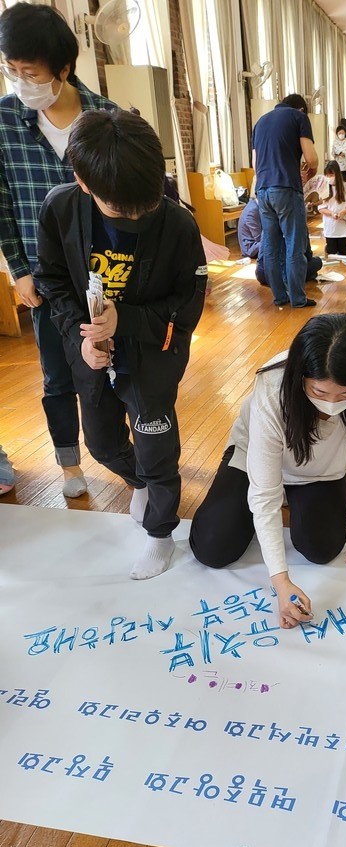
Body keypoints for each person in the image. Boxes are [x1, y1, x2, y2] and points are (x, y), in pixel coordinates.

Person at [35, 109, 207, 580]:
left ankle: (160, 533)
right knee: (102, 442)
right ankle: (141, 482)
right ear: (83, 182)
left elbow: (189, 299)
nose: (135, 217)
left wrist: (125, 319)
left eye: (145, 206)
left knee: (156, 442)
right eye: (120, 209)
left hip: (151, 349)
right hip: (90, 346)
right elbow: (52, 280)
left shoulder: (177, 224)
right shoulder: (60, 208)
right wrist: (79, 335)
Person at [189, 314, 346, 626]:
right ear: (301, 378)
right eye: (320, 392)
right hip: (254, 459)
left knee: (322, 549)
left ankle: (297, 496)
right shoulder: (273, 389)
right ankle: (282, 498)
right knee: (212, 547)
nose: (332, 404)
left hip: (322, 470)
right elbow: (264, 491)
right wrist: (281, 582)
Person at [0, 2, 116, 499]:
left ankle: (124, 452)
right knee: (56, 378)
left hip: (103, 272)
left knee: (113, 368)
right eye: (11, 70)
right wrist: (18, 269)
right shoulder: (6, 120)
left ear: (63, 69)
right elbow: (3, 202)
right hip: (43, 277)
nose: (20, 81)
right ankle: (69, 465)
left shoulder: (105, 117)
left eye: (30, 73)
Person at [252, 93, 318, 309]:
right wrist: (311, 171)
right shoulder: (298, 118)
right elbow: (311, 158)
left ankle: (279, 296)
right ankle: (298, 298)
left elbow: (255, 164)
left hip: (262, 190)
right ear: (301, 109)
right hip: (286, 188)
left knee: (270, 246)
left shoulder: (260, 122)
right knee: (294, 244)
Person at [317, 160, 346, 257]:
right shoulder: (324, 188)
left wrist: (343, 212)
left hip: (343, 223)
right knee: (332, 252)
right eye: (327, 175)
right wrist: (331, 213)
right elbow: (321, 208)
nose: (329, 178)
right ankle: (328, 247)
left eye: (331, 175)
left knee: (343, 252)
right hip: (330, 223)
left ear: (337, 174)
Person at [256, 237, 321, 288]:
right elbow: (308, 256)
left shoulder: (267, 225)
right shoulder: (296, 225)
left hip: (261, 274)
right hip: (284, 276)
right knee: (317, 261)